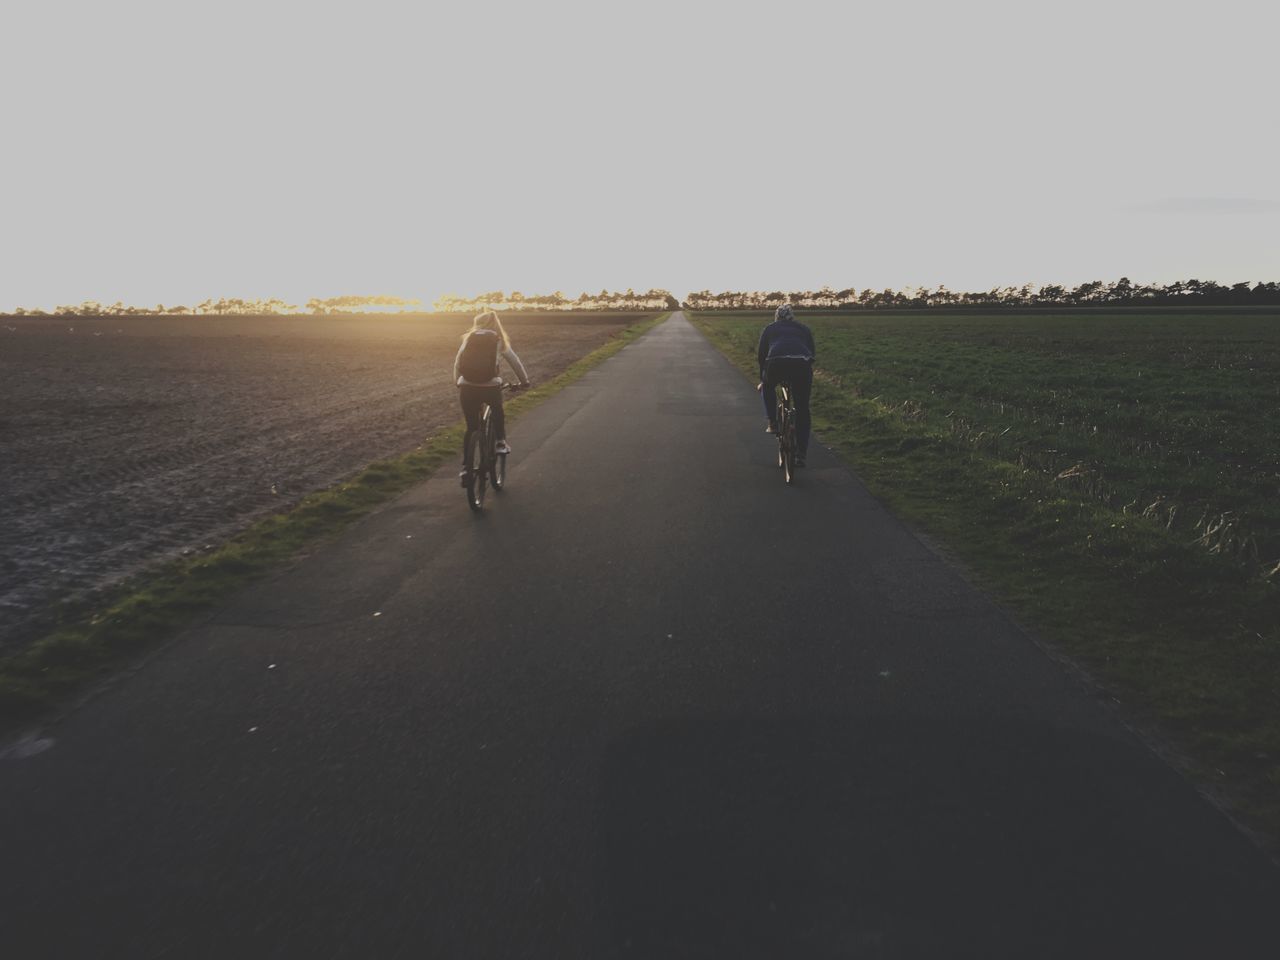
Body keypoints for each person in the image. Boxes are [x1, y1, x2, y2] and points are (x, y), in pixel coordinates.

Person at [454, 310, 530, 481]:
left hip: (467, 387)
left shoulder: (469, 338)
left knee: (471, 427)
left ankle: (466, 468)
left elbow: (458, 362)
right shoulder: (498, 340)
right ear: (495, 324)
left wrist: (458, 382)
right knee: (497, 410)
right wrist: (524, 382)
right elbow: (515, 362)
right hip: (490, 387)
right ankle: (500, 442)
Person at [757, 303, 816, 466]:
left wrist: (762, 378)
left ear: (777, 317)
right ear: (792, 317)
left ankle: (773, 422)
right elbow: (811, 352)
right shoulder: (803, 329)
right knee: (803, 409)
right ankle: (801, 454)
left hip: (776, 364)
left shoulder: (770, 328)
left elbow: (762, 356)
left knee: (768, 386)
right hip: (801, 365)